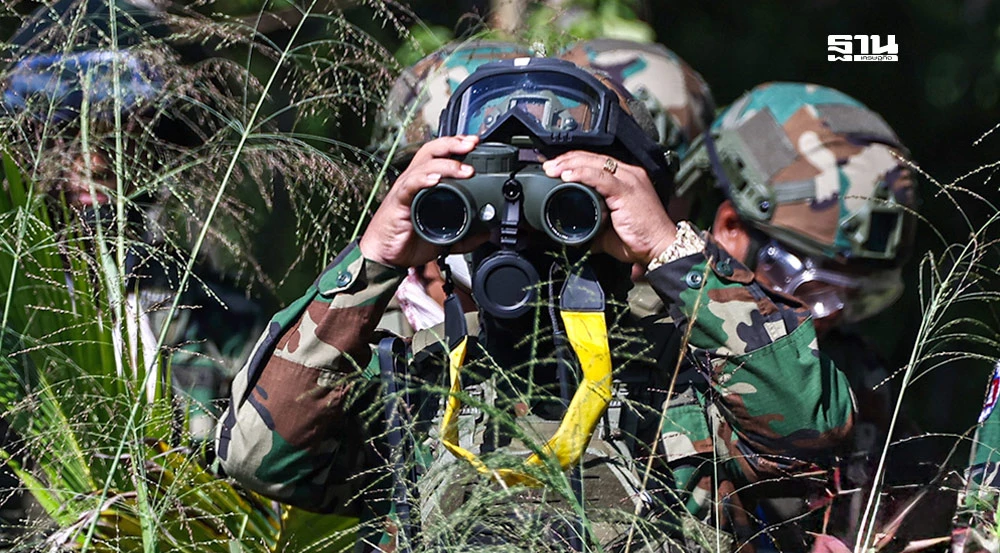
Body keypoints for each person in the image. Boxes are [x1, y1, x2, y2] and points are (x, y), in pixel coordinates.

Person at [216, 56, 856, 552]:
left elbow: (812, 430)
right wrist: (376, 256)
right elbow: (257, 456)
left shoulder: (685, 367)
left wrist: (671, 249)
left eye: (563, 204)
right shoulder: (408, 374)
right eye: (491, 192)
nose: (518, 224)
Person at [674, 81, 919, 546]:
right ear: (730, 228)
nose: (828, 314)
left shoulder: (857, 379)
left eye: (857, 296)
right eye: (813, 287)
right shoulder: (650, 346)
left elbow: (914, 511)